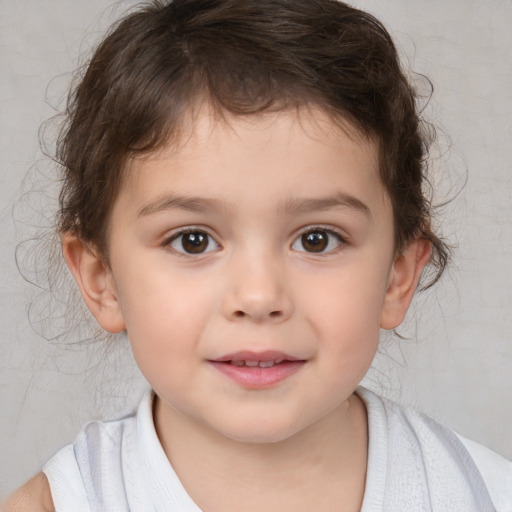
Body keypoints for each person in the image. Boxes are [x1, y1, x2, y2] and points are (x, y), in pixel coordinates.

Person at [4, 0, 511, 510]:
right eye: (193, 240)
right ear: (102, 279)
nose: (259, 296)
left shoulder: (486, 494)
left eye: (317, 239)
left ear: (398, 274)